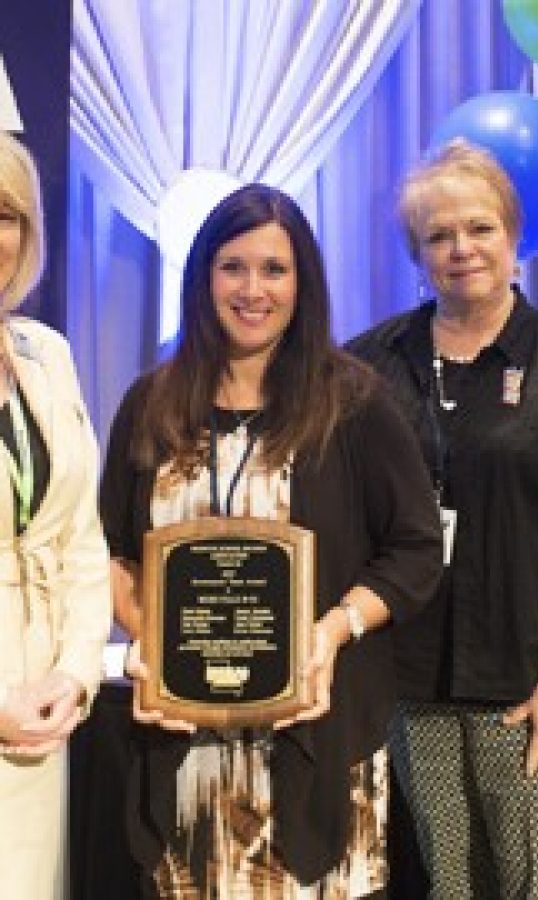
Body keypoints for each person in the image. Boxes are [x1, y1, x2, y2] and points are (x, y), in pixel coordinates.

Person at [99, 183, 443, 898]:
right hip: (185, 754)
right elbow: (116, 554)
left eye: (274, 269)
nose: (253, 289)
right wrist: (152, 645)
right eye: (234, 267)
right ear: (203, 276)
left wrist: (332, 629)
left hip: (314, 746)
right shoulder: (150, 405)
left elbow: (414, 550)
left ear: (302, 283)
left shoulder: (354, 404)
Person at [348, 140, 538, 898]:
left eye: (479, 228)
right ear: (417, 252)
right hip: (409, 685)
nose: (461, 250)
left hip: (531, 687)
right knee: (447, 887)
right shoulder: (367, 368)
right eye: (438, 235)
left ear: (514, 236)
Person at [0, 131, 111, 897]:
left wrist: (73, 673)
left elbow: (79, 540)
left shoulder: (47, 353)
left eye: (4, 214)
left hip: (41, 721)